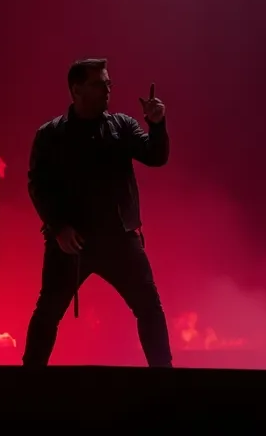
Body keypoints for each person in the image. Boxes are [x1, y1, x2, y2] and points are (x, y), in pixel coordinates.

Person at [22, 58, 172, 367]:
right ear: (77, 89)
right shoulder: (50, 135)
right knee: (47, 312)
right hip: (71, 244)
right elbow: (38, 185)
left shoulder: (122, 126)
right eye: (99, 84)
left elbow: (155, 156)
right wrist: (58, 227)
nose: (107, 90)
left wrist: (157, 124)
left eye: (108, 83)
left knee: (149, 308)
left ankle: (166, 378)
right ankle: (27, 382)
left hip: (119, 240)